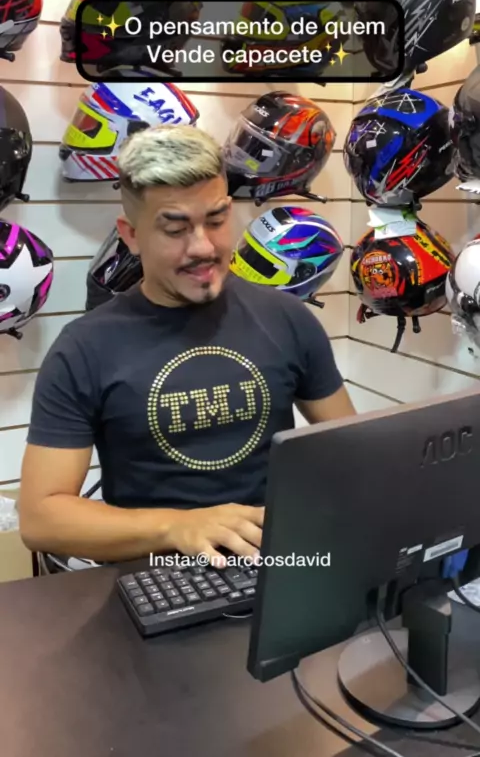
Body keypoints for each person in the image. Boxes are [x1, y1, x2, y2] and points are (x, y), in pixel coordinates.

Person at [19, 125, 356, 566]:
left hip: (276, 564)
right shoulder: (84, 348)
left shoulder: (288, 318)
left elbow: (351, 452)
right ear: (131, 234)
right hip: (155, 572)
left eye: (215, 221)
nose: (202, 247)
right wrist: (178, 527)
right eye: (175, 229)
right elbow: (41, 519)